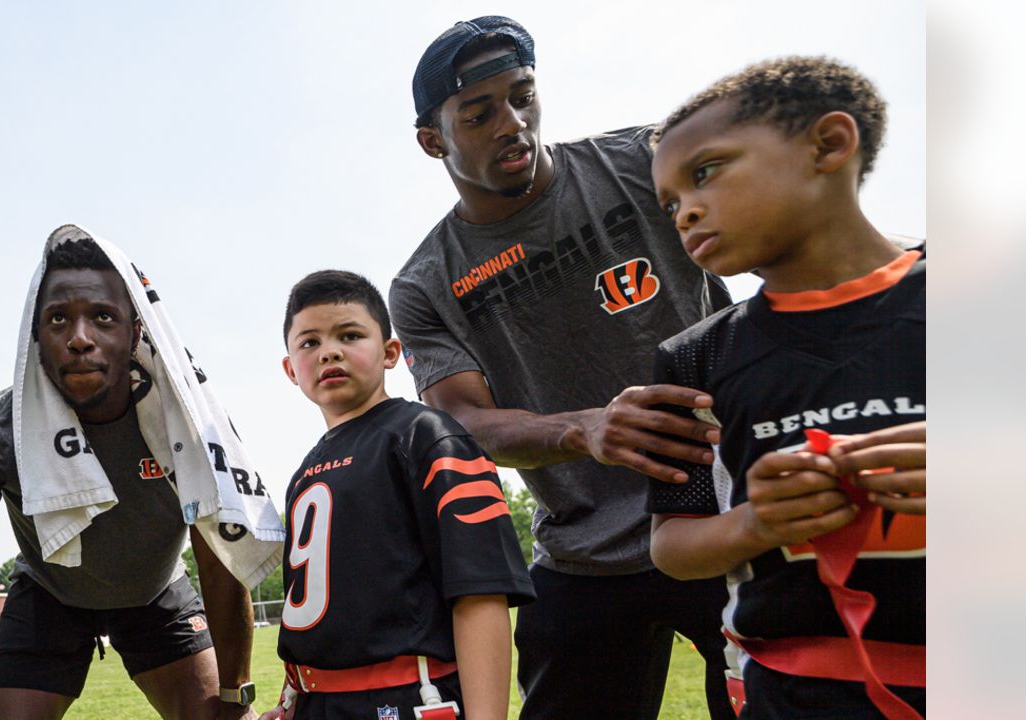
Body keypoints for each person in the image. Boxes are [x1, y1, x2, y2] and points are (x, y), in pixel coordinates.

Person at [390, 16, 733, 719]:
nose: (511, 123)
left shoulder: (643, 160)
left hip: (726, 511)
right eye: (479, 113)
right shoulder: (425, 283)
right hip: (584, 551)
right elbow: (463, 419)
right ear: (433, 140)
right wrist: (585, 428)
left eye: (522, 95)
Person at [0, 226, 283, 720]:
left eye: (103, 317)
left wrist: (236, 696)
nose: (80, 338)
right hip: (50, 592)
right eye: (59, 319)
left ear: (136, 331)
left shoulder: (185, 420)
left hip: (155, 591)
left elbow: (221, 549)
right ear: (36, 336)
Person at [645, 57, 925, 718]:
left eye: (705, 172)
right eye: (670, 202)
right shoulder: (693, 357)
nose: (685, 213)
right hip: (791, 696)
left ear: (828, 144)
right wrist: (753, 522)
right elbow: (672, 545)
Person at [259, 270, 534, 720]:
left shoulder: (427, 436)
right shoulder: (305, 470)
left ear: (390, 353)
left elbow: (480, 593)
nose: (329, 350)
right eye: (309, 343)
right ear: (291, 369)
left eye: (349, 335)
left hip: (409, 697)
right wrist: (293, 698)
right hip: (319, 704)